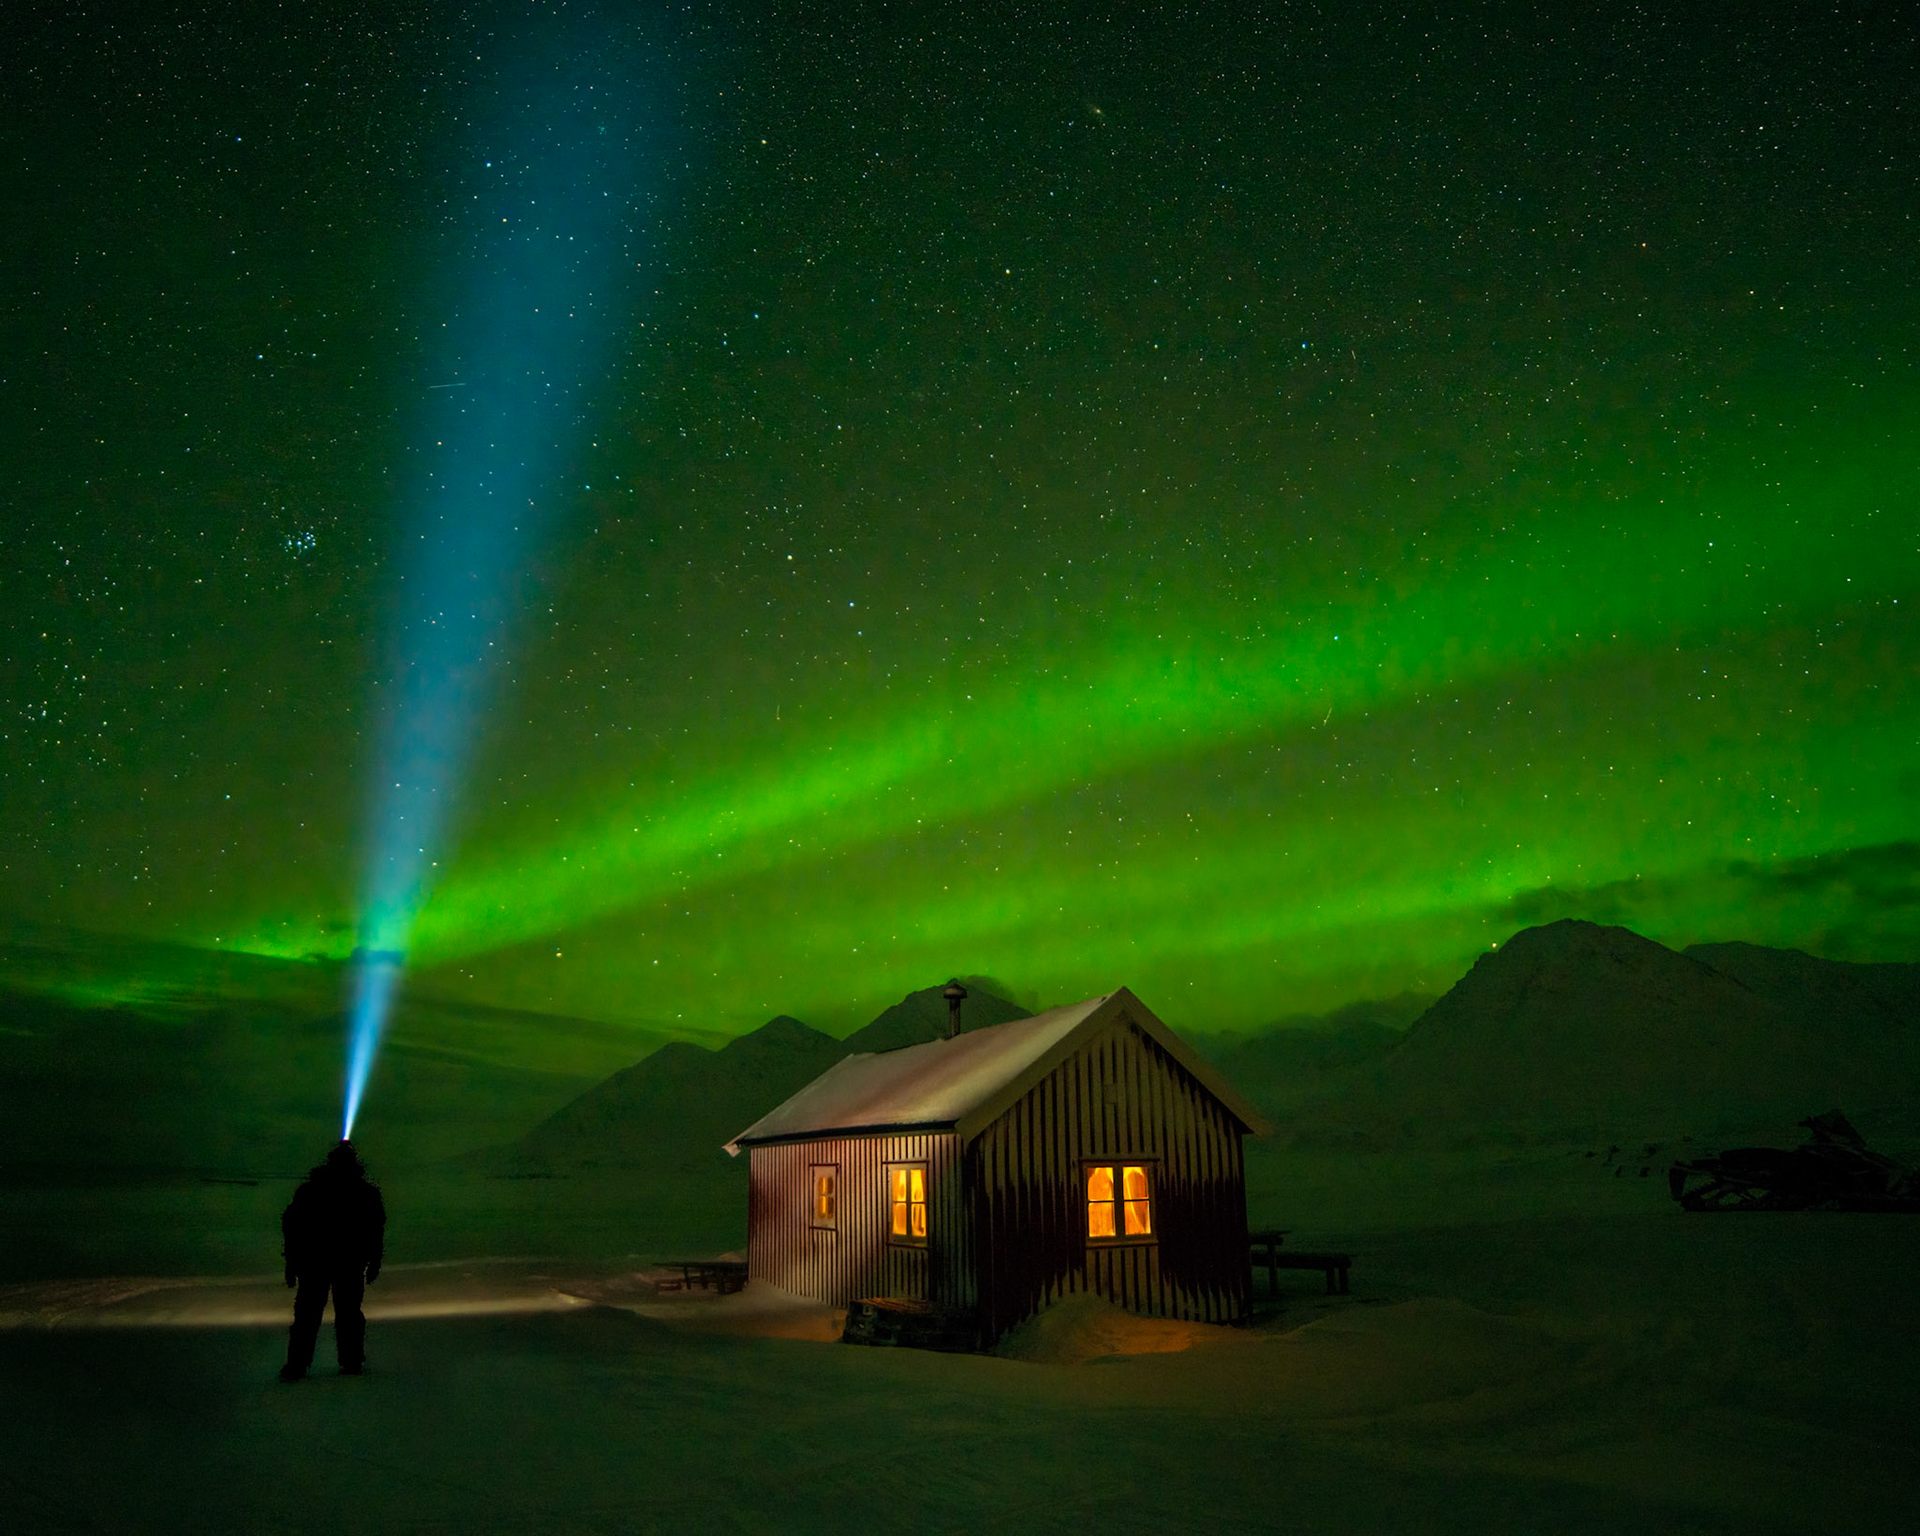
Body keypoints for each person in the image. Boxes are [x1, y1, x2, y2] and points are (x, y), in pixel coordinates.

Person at [279, 1139, 386, 1381]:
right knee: (346, 1314)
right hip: (347, 1262)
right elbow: (375, 1230)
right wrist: (374, 1262)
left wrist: (291, 1264)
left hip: (316, 1262)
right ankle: (350, 1362)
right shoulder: (367, 1193)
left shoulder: (309, 1191)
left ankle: (298, 1365)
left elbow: (292, 1227)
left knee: (308, 1315)